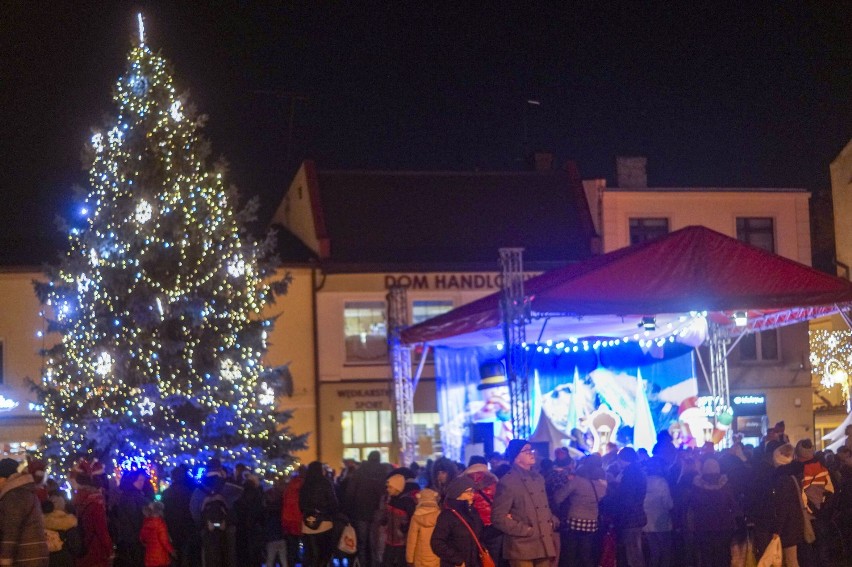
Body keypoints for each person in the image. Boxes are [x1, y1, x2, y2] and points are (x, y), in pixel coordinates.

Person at [491, 439, 559, 567]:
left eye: (531, 450)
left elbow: (543, 506)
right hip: (521, 546)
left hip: (543, 541)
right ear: (516, 457)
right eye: (526, 451)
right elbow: (498, 517)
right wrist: (525, 530)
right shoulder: (508, 481)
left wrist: (551, 520)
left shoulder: (538, 478)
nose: (531, 453)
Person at [553, 453, 606, 567]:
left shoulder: (577, 481)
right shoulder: (602, 484)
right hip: (591, 523)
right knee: (586, 555)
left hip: (573, 521)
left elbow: (558, 497)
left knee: (570, 554)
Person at [0, 457, 50, 567]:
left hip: (25, 556)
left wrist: (5, 559)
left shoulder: (14, 495)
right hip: (32, 554)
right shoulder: (22, 491)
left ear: (4, 478)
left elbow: (11, 529)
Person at [689, 458, 738, 567]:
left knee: (707, 557)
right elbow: (733, 506)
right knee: (723, 555)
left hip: (703, 527)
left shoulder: (697, 487)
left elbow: (693, 506)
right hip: (724, 527)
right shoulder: (725, 486)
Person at [602, 447, 646, 567]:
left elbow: (627, 498)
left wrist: (613, 489)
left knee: (632, 554)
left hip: (629, 519)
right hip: (636, 517)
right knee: (635, 552)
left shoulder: (630, 474)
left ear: (623, 459)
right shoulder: (637, 472)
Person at [343, 451, 388, 567]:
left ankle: (363, 564)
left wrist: (348, 511)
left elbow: (350, 493)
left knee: (362, 544)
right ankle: (375, 564)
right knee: (375, 544)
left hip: (360, 512)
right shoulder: (383, 472)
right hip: (377, 512)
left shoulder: (360, 472)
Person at [431, 476, 485, 567]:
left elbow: (480, 535)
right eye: (468, 492)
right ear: (457, 494)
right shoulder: (448, 515)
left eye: (473, 491)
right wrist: (457, 560)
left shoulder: (473, 512)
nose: (472, 494)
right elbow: (437, 543)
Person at [461, 456, 501, 564]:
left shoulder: (462, 481)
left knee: (473, 559)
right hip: (493, 526)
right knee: (493, 559)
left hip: (471, 527)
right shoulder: (493, 480)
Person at [299, 461, 339, 567]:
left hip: (307, 523)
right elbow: (333, 503)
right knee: (324, 553)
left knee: (310, 554)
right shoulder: (325, 482)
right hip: (324, 522)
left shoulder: (305, 485)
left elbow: (301, 505)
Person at [74, 467, 114, 567]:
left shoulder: (79, 501)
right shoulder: (96, 504)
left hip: (82, 548)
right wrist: (109, 550)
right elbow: (102, 530)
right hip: (96, 551)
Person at [112, 470, 151, 567]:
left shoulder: (132, 494)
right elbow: (134, 518)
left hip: (132, 537)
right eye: (140, 480)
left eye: (143, 480)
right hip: (134, 538)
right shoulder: (131, 496)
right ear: (133, 481)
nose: (142, 483)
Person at [379, 474, 416, 567]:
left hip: (401, 542)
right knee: (386, 562)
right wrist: (384, 520)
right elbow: (387, 515)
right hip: (390, 540)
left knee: (400, 563)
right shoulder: (390, 500)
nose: (387, 489)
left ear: (397, 488)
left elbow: (413, 519)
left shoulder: (407, 502)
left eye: (390, 487)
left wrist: (405, 528)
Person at [161, 466, 196, 567]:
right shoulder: (189, 492)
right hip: (186, 527)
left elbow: (164, 511)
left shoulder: (166, 493)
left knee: (174, 553)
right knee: (185, 554)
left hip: (171, 527)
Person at [643, 457, 673, 567]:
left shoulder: (644, 481)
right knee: (665, 551)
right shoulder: (662, 482)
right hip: (661, 521)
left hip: (647, 521)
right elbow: (668, 503)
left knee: (654, 551)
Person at [42, 494, 81, 567]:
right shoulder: (68, 522)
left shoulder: (41, 522)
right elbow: (76, 546)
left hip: (46, 560)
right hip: (65, 559)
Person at [405, 488, 441, 567]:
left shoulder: (416, 517)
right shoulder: (440, 516)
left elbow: (412, 540)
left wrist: (409, 559)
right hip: (436, 555)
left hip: (420, 557)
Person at [139, 501, 175, 567]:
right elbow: (164, 540)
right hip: (160, 555)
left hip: (149, 555)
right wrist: (172, 551)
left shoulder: (146, 522)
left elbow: (142, 537)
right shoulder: (160, 523)